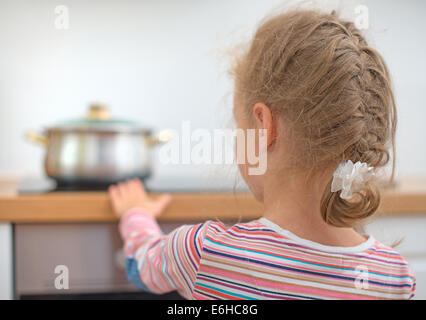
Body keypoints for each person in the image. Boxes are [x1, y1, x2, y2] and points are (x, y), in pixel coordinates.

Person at [108, 9, 416, 300]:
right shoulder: (395, 277)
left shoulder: (205, 253)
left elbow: (142, 264)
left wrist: (136, 212)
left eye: (237, 124)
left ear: (263, 126)